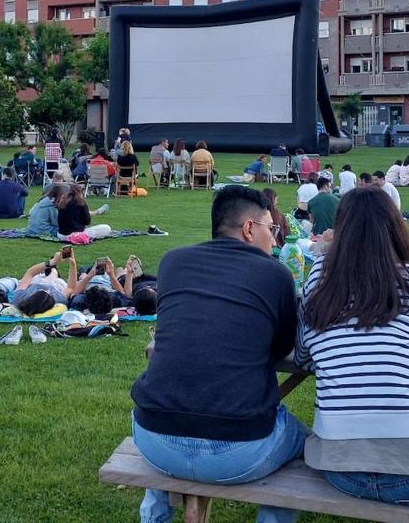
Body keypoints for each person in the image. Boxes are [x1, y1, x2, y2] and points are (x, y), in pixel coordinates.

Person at [131, 186, 306, 523]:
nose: (275, 239)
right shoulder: (277, 274)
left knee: (172, 405)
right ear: (250, 228)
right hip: (241, 450)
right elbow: (283, 348)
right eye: (272, 229)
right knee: (306, 444)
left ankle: (154, 516)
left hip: (154, 439)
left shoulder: (173, 262)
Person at [295, 188, 409, 507]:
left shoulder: (319, 282)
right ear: (397, 229)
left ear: (339, 233)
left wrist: (324, 254)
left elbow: (304, 357)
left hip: (341, 470)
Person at [11, 251, 79, 309]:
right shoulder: (58, 299)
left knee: (39, 279)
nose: (45, 289)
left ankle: (53, 270)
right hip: (57, 284)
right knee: (57, 280)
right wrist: (73, 263)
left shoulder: (19, 298)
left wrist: (52, 262)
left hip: (36, 282)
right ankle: (53, 270)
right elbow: (70, 287)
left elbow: (30, 273)